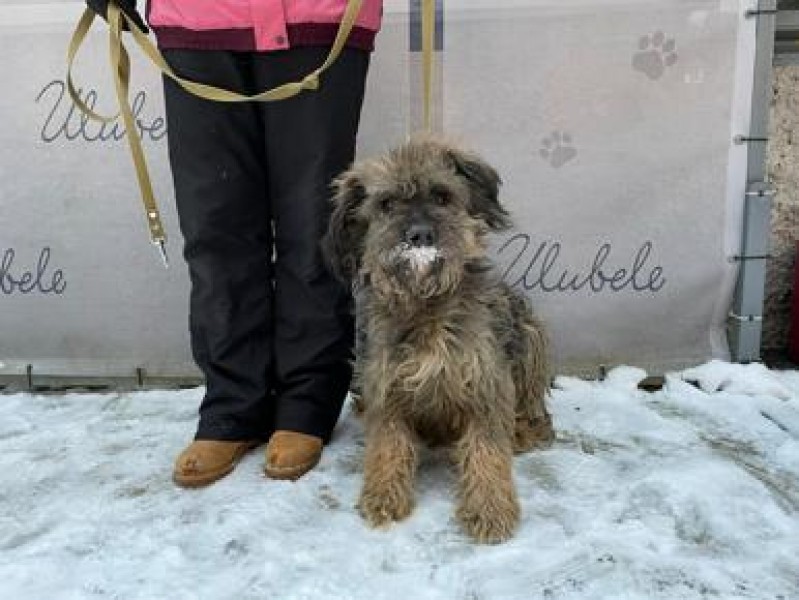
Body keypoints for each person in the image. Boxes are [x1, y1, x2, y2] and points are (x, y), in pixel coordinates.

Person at [85, 0, 383, 486]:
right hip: (196, 18)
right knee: (216, 223)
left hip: (320, 17)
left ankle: (307, 403)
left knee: (312, 223)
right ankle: (231, 406)